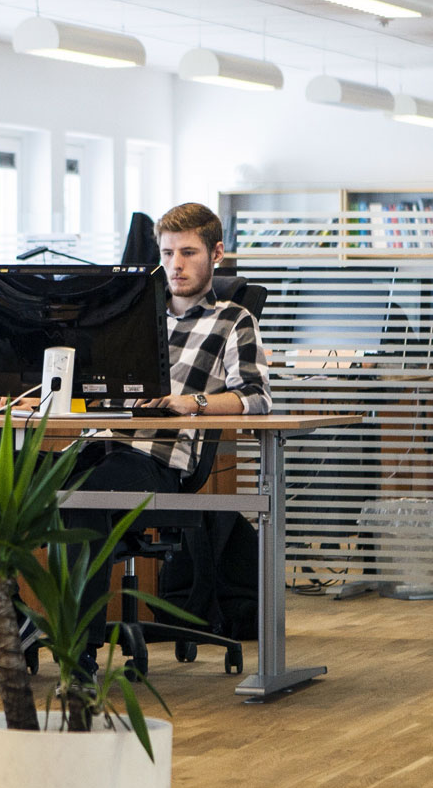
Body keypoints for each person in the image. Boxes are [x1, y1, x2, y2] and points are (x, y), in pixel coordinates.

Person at [58, 202, 274, 662]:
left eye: (189, 253)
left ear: (216, 254)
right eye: (168, 253)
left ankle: (78, 656)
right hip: (96, 447)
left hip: (155, 462)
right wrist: (33, 394)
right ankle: (8, 625)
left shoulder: (233, 320)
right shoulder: (128, 318)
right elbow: (86, 389)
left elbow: (256, 397)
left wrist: (192, 402)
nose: (176, 265)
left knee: (86, 499)